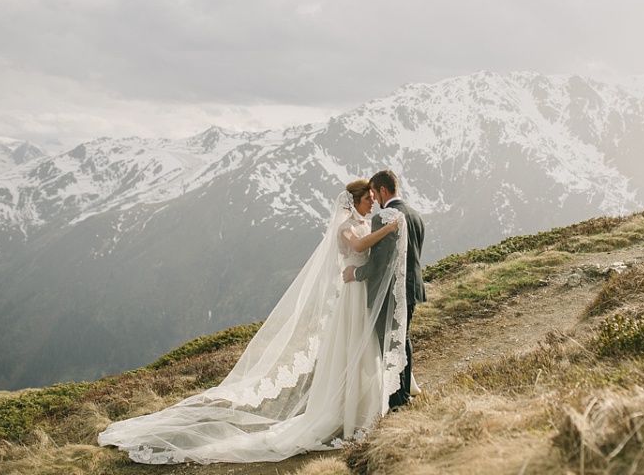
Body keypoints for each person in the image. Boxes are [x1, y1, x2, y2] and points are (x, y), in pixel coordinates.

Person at [98, 179, 409, 464]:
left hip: (359, 294)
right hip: (351, 297)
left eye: (372, 196)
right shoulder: (346, 226)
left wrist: (382, 231)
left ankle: (360, 410)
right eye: (367, 198)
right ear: (352, 202)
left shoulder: (365, 222)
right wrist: (389, 229)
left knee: (362, 350)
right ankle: (345, 413)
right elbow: (357, 247)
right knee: (350, 349)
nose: (372, 201)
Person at [343, 169, 425, 409]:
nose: (374, 201)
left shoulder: (386, 217)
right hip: (412, 289)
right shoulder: (414, 214)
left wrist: (356, 273)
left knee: (389, 344)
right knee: (403, 339)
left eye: (374, 195)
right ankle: (404, 394)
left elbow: (381, 263)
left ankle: (396, 400)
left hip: (389, 292)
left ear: (381, 190)